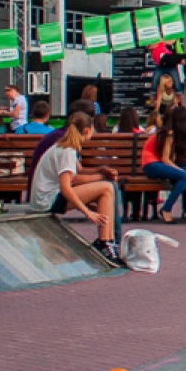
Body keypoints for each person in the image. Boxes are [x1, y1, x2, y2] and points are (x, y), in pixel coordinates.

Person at [29, 112, 122, 263]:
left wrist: (101, 171)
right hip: (47, 200)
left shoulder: (63, 146)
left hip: (46, 198)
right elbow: (66, 187)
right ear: (87, 131)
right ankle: (105, 243)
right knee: (107, 188)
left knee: (107, 187)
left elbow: (79, 172)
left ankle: (108, 241)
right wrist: (88, 212)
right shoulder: (68, 151)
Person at [140, 104, 186, 224]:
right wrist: (182, 172)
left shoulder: (171, 133)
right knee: (185, 177)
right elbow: (165, 159)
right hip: (152, 164)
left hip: (156, 164)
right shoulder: (169, 134)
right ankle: (166, 208)